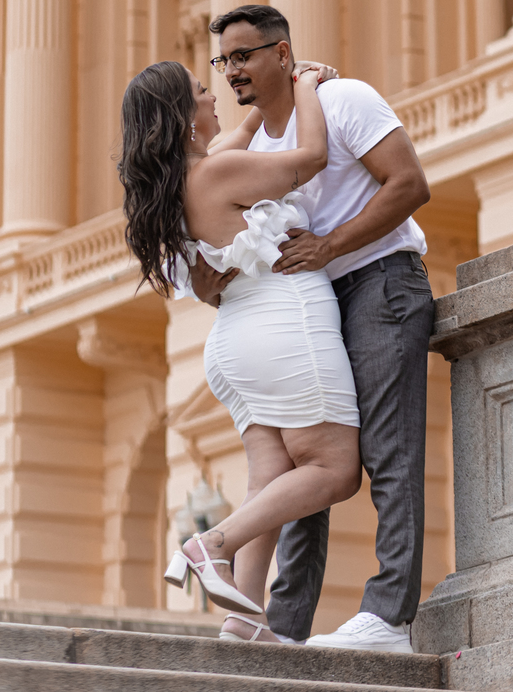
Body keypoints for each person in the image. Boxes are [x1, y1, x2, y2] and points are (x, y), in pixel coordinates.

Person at [191, 4, 434, 655]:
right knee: (309, 463)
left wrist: (330, 245)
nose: (231, 70)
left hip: (380, 283)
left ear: (282, 53)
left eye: (243, 55)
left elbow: (409, 184)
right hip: (312, 304)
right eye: (223, 60)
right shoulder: (253, 148)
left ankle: (389, 616)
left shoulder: (344, 99)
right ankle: (286, 624)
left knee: (388, 453)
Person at [118, 56, 362, 644]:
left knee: (268, 480)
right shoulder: (218, 173)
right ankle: (213, 544)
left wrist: (265, 105)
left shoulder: (179, 185)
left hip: (236, 340)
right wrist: (305, 83)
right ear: (183, 115)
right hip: (284, 323)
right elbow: (311, 158)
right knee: (334, 469)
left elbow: (238, 138)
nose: (214, 96)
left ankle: (243, 620)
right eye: (203, 90)